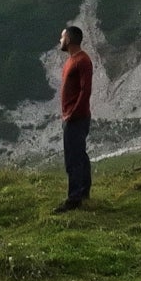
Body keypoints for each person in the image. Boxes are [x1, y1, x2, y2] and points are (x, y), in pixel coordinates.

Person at [52, 23, 93, 212]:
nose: (60, 41)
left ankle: (74, 198)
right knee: (79, 156)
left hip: (76, 117)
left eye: (62, 37)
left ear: (68, 39)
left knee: (74, 158)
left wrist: (73, 113)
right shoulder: (71, 60)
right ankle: (83, 192)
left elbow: (85, 91)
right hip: (71, 116)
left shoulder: (82, 61)